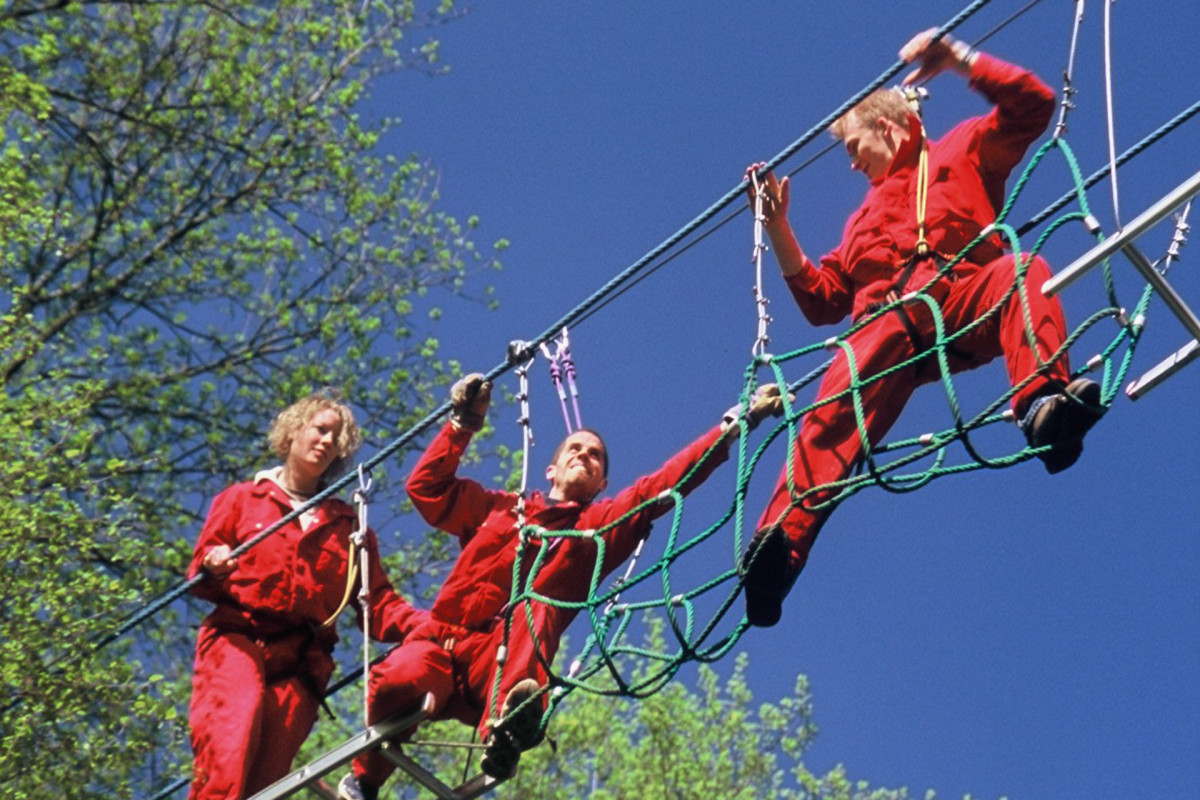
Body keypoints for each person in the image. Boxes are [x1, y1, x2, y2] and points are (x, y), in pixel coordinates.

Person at [740, 29, 1105, 628]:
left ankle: (1044, 407)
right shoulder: (861, 221)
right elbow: (824, 299)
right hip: (888, 329)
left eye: (855, 146)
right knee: (837, 406)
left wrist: (962, 60)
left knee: (1024, 270)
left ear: (888, 127)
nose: (852, 162)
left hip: (960, 303)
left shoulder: (960, 150)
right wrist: (779, 228)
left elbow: (1033, 107)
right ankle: (779, 551)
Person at [336, 373, 785, 800]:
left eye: (595, 457)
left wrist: (735, 423)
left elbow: (662, 485)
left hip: (499, 664)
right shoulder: (501, 510)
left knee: (535, 606)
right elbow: (428, 490)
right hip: (439, 643)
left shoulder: (596, 529)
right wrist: (462, 423)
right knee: (399, 675)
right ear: (551, 469)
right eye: (575, 448)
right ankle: (366, 782)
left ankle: (508, 728)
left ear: (602, 483)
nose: (584, 456)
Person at [186, 390, 426, 800]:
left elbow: (378, 604)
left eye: (337, 440)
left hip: (301, 664)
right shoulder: (243, 499)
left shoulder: (349, 528)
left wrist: (436, 625)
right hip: (237, 640)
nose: (327, 442)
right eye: (321, 429)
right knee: (228, 750)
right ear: (294, 430)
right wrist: (214, 560)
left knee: (266, 785)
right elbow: (202, 573)